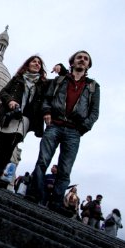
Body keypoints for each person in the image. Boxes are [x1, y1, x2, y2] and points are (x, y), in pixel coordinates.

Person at [27, 51, 100, 215]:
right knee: (42, 160)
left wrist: (83, 128)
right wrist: (46, 111)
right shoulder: (60, 80)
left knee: (65, 169)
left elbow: (94, 112)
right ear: (72, 62)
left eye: (86, 59)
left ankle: (56, 203)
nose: (82, 60)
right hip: (54, 124)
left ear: (88, 65)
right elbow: (47, 98)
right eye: (79, 57)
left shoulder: (93, 86)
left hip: (74, 130)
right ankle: (34, 194)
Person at [0, 55, 48, 185]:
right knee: (0, 144)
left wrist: (62, 69)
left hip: (24, 118)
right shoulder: (17, 79)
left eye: (39, 63)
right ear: (28, 64)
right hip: (10, 113)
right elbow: (2, 92)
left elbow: (60, 81)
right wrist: (10, 101)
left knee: (11, 145)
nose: (37, 64)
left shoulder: (43, 84)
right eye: (34, 61)